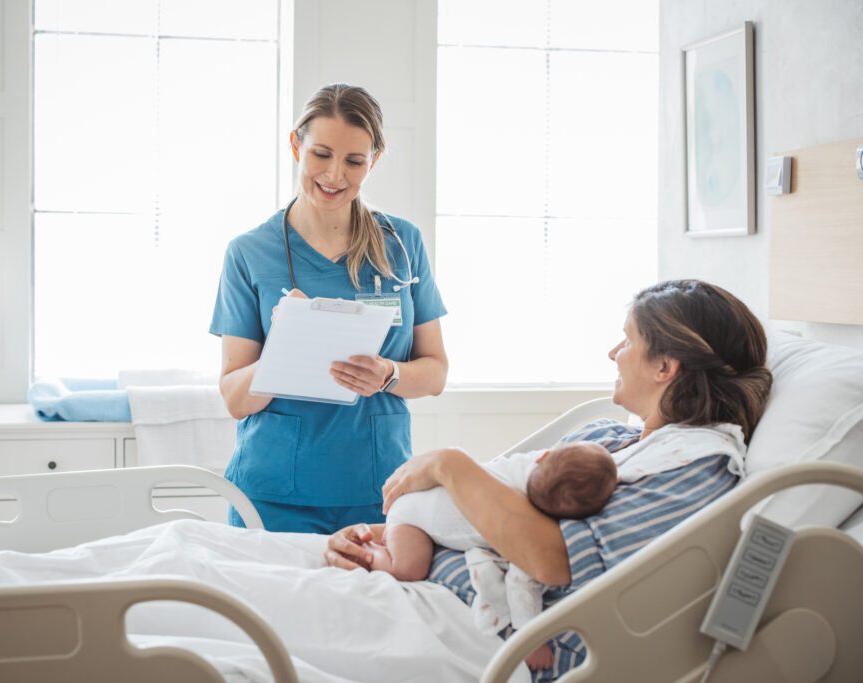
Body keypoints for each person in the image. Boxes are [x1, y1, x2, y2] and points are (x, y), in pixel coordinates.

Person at [325, 279, 773, 679]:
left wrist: (449, 463)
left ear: (665, 367)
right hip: (416, 588)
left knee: (263, 629)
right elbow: (485, 513)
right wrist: (380, 537)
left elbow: (552, 560)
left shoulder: (695, 469)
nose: (613, 354)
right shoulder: (608, 436)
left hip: (484, 636)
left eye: (628, 341)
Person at [210, 83, 448, 534]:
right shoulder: (249, 252)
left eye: (354, 161)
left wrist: (389, 375)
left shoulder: (402, 244)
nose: (335, 175)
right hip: (274, 496)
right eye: (321, 154)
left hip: (379, 489)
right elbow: (235, 399)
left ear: (373, 161)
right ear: (296, 145)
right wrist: (283, 346)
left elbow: (435, 372)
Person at [370, 440, 616, 672]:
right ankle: (370, 554)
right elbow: (521, 583)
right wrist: (529, 639)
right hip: (410, 518)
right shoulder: (529, 519)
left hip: (424, 493)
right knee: (407, 570)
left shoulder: (529, 468)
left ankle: (376, 542)